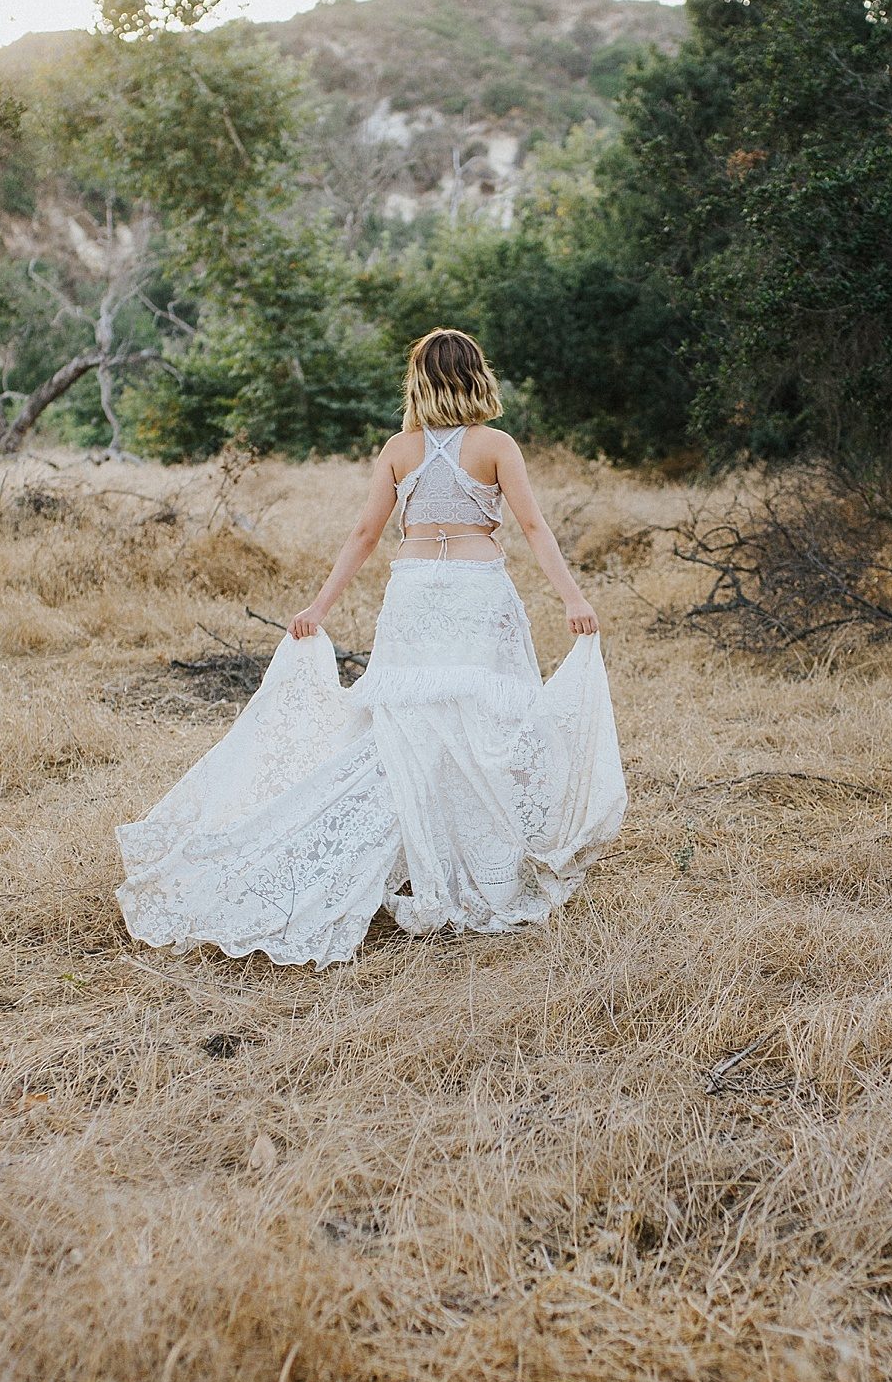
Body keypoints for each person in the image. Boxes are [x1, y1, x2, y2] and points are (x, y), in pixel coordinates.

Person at [115, 329, 627, 968]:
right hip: (474, 592)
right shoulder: (496, 446)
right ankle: (477, 863)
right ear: (477, 376)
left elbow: (364, 534)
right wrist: (572, 598)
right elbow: (531, 526)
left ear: (418, 380)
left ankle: (418, 855)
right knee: (484, 726)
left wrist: (318, 606)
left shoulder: (399, 449)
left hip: (414, 592)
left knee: (405, 731)